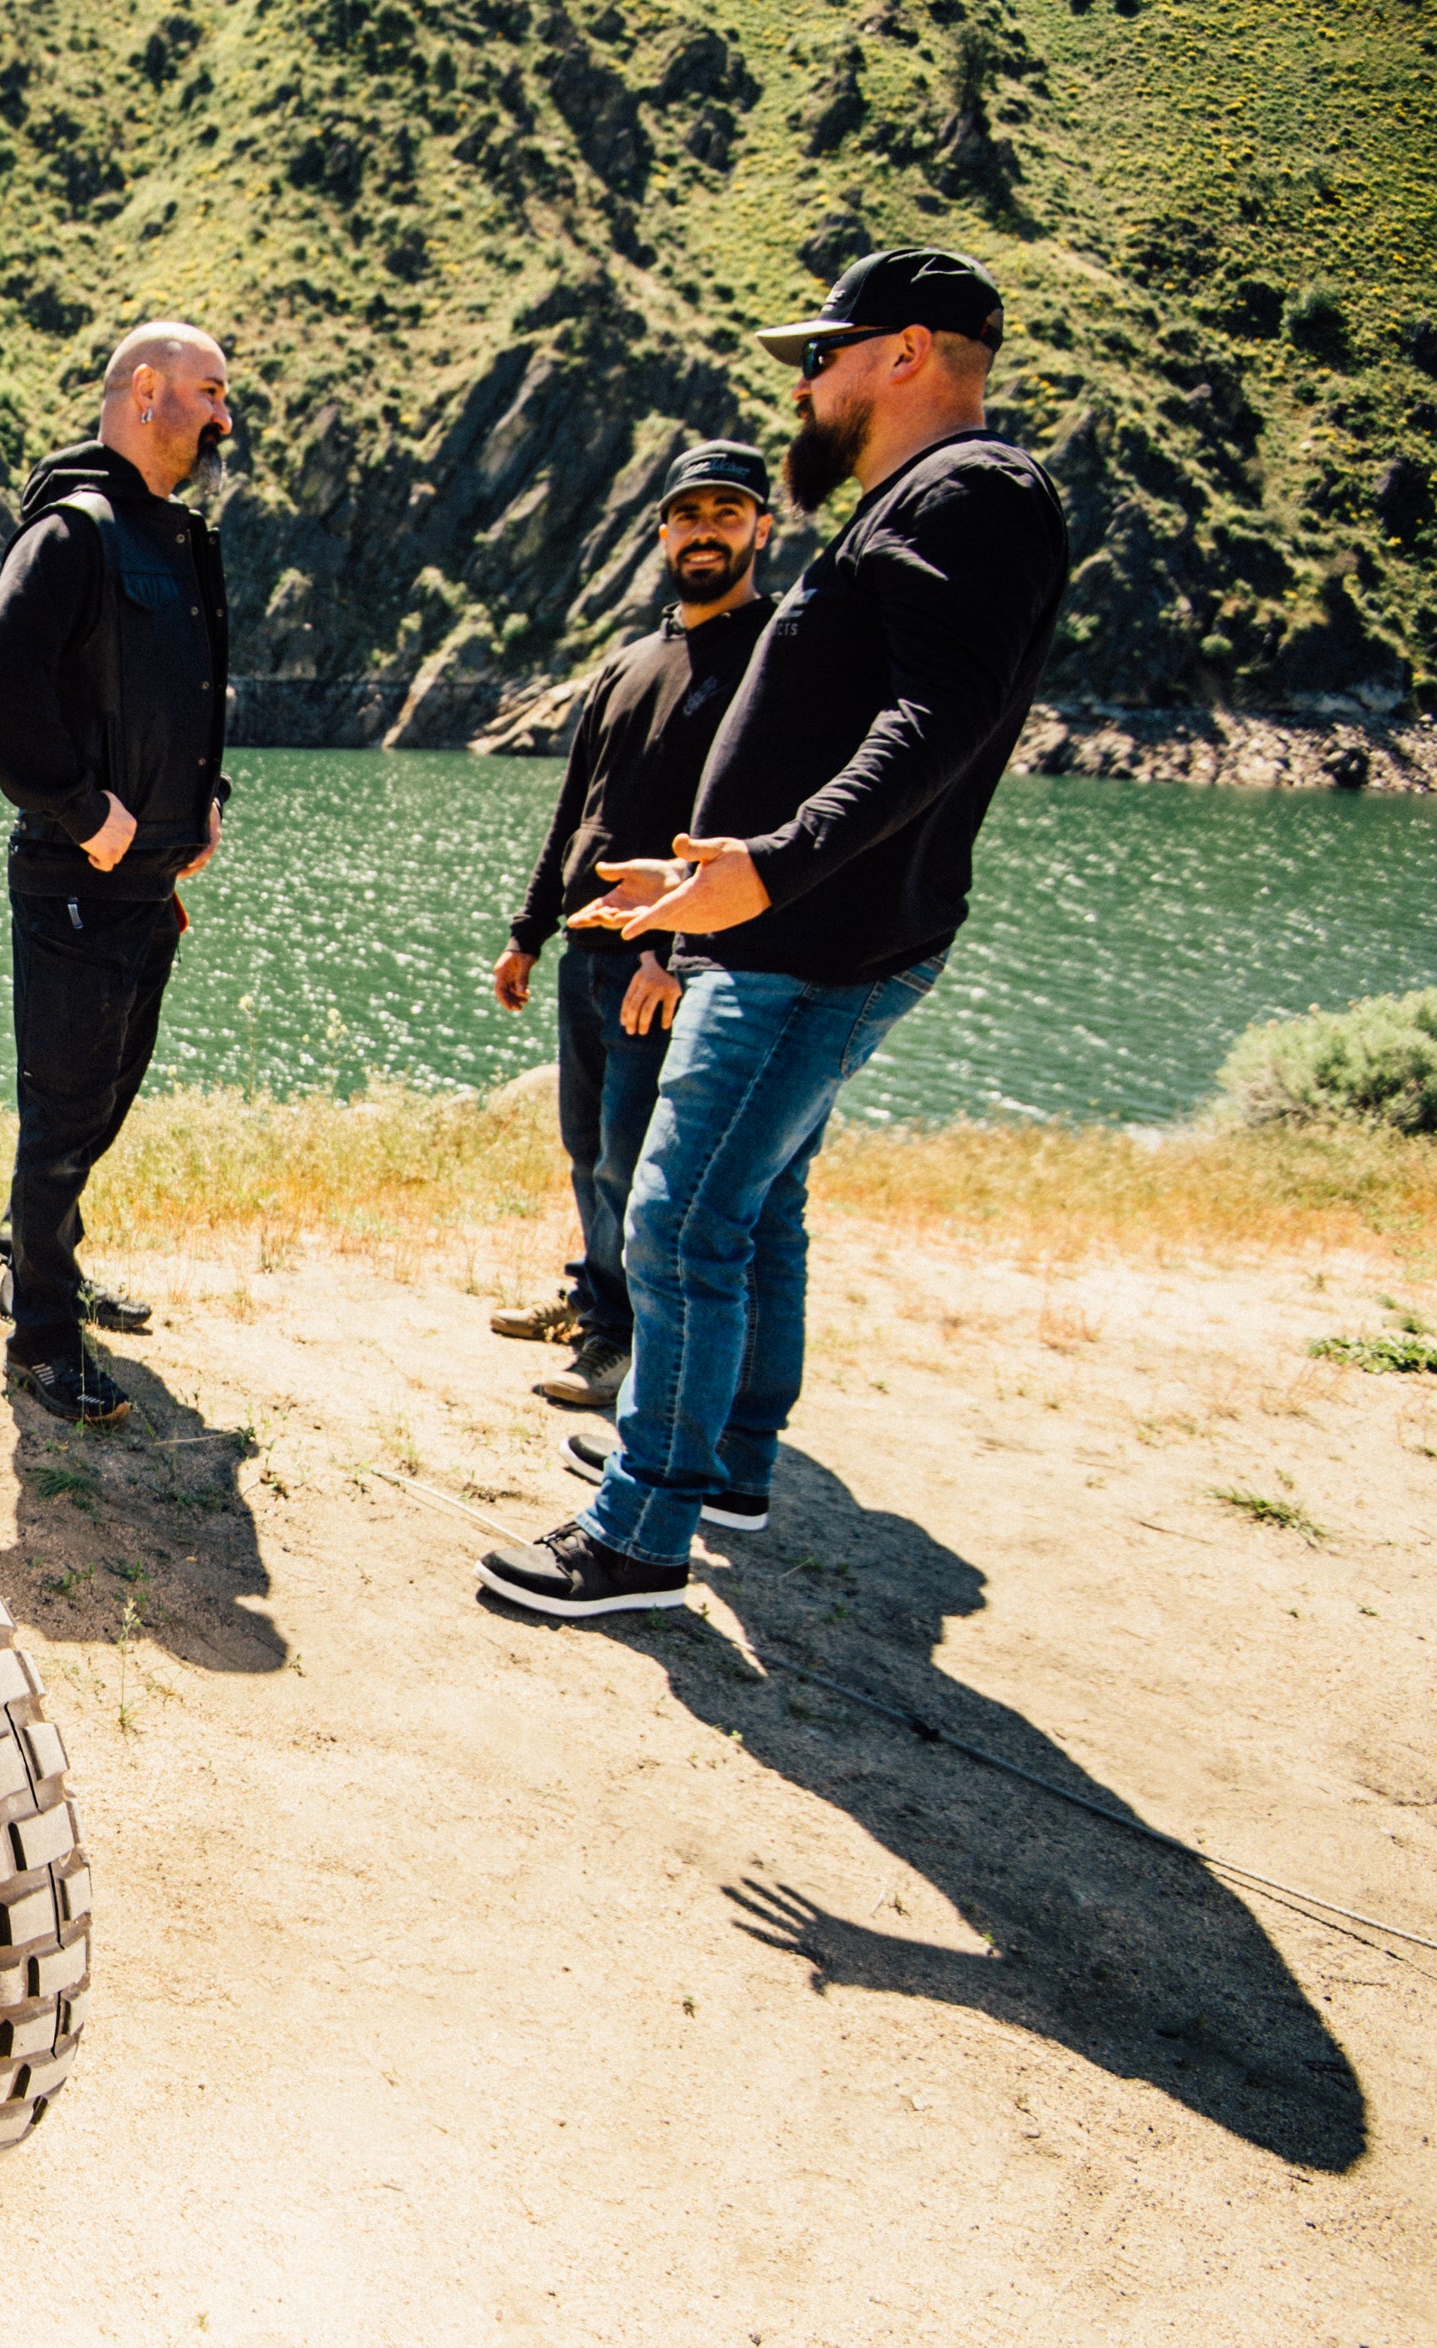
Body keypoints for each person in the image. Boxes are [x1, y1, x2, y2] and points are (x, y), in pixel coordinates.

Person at [480, 247, 1072, 1617]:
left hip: (812, 943)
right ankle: (722, 1457)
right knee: (762, 1204)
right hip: (791, 930)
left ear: (908, 354)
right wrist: (692, 890)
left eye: (827, 354)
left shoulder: (969, 492)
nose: (806, 383)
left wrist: (767, 871)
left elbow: (936, 719)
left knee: (682, 1219)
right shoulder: (913, 505)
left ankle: (641, 1532)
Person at [0, 319, 235, 1427]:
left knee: (103, 1104)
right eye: (212, 392)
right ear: (147, 389)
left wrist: (209, 801)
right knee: (65, 1112)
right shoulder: (70, 533)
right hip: (78, 883)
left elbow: (192, 697)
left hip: (149, 886)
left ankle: (38, 1262)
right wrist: (87, 814)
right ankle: (41, 1335)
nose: (226, 414)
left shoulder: (181, 541)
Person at [487, 442, 783, 1415]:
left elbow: (749, 820)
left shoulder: (768, 658)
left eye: (727, 513)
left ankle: (625, 1342)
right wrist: (531, 931)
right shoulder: (630, 663)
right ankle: (595, 1300)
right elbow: (579, 807)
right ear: (662, 532)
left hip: (670, 956)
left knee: (634, 1152)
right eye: (689, 514)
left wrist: (677, 950)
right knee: (586, 1144)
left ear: (761, 529)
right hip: (588, 951)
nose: (706, 530)